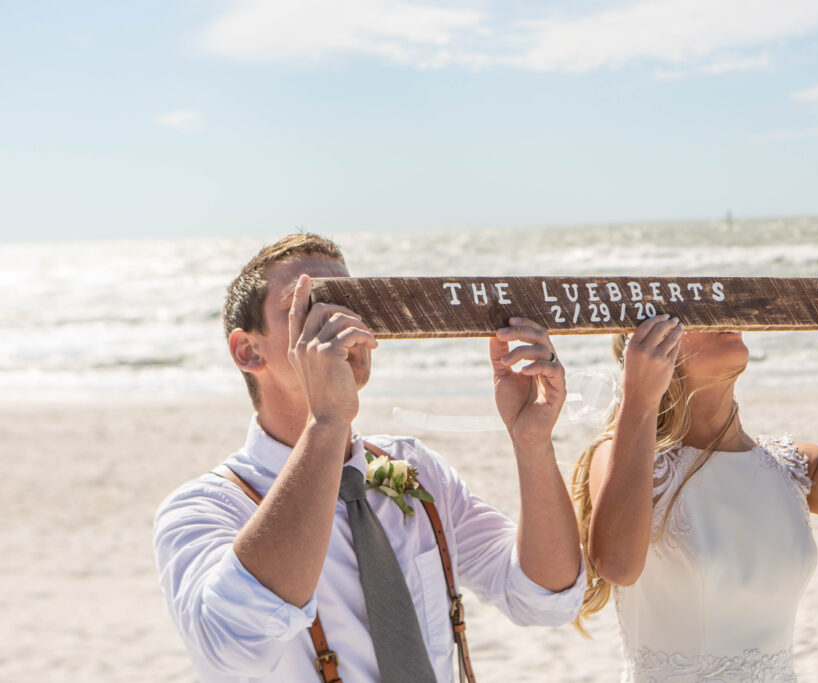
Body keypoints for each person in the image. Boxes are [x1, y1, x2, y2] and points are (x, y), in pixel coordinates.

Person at [154, 233, 583, 683]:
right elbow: (233, 650)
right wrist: (326, 421)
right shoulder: (202, 510)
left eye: (353, 303)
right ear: (248, 350)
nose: (340, 323)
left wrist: (532, 445)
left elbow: (544, 598)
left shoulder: (416, 467)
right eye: (309, 305)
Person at [571, 294, 818, 682]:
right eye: (695, 309)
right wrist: (639, 396)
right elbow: (618, 566)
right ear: (652, 344)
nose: (724, 314)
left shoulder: (793, 467)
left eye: (723, 302)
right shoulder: (628, 461)